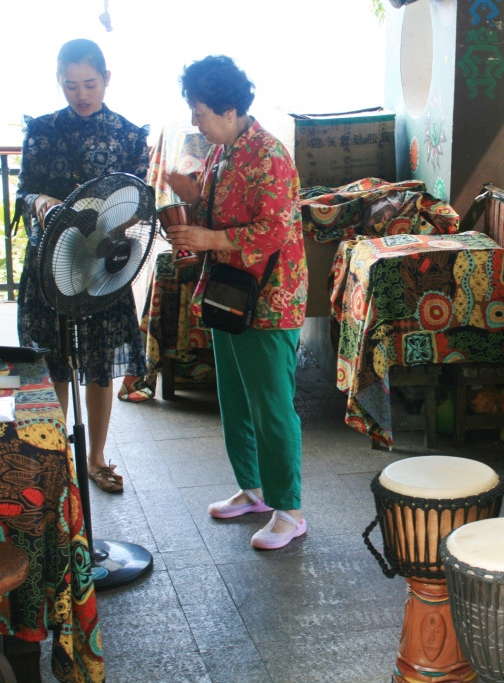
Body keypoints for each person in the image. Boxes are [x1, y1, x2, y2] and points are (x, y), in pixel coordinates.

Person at [164, 55, 309, 550]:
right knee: (235, 398)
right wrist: (188, 194)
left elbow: (274, 230)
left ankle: (289, 509)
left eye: (200, 111)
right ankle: (253, 490)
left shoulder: (269, 155)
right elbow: (213, 210)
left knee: (271, 406)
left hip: (270, 297)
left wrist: (205, 237)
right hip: (230, 292)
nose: (194, 121)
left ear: (229, 109)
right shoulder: (222, 152)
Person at [16, 38, 149, 494]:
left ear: (106, 79)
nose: (81, 94)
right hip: (50, 263)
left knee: (97, 363)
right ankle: (56, 457)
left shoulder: (131, 135)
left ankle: (94, 457)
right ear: (59, 82)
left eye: (89, 83)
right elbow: (24, 191)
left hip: (101, 267)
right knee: (54, 361)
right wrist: (41, 201)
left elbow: (141, 203)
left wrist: (117, 219)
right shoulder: (43, 129)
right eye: (70, 85)